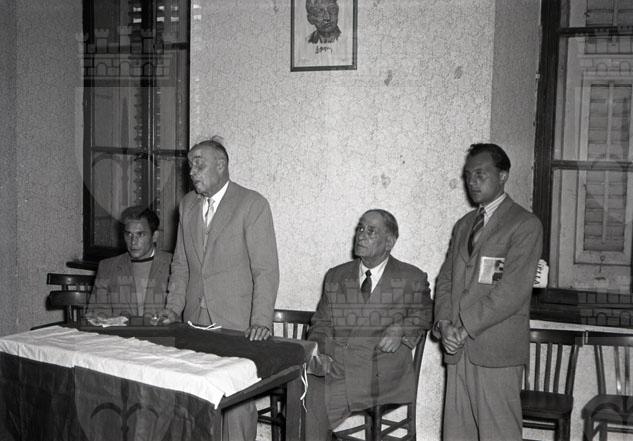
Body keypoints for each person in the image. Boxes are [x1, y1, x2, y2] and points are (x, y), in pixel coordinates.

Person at [158, 137, 279, 441]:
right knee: (194, 402)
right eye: (190, 165)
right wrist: (172, 308)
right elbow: (181, 264)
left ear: (221, 165)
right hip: (193, 321)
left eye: (199, 164)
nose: (191, 172)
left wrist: (261, 322)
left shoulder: (252, 204)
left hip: (237, 324)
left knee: (236, 407)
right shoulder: (187, 205)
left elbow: (265, 270)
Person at [433, 143, 543, 441]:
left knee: (499, 435)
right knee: (457, 434)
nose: (472, 182)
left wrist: (464, 327)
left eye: (480, 174)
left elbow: (512, 292)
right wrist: (444, 324)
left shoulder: (525, 224)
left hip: (497, 351)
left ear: (503, 175)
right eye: (468, 175)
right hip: (457, 349)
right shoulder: (463, 225)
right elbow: (445, 280)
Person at [305, 209, 432, 440]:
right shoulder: (336, 275)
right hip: (334, 366)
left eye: (371, 231)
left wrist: (401, 328)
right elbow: (321, 323)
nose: (361, 235)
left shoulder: (411, 278)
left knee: (310, 412)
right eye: (361, 228)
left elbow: (427, 313)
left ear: (389, 242)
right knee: (298, 397)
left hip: (379, 373)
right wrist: (321, 352)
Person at [87, 205, 172, 318]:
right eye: (129, 234)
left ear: (155, 236)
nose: (133, 241)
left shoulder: (174, 265)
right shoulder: (107, 267)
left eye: (140, 234)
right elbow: (96, 314)